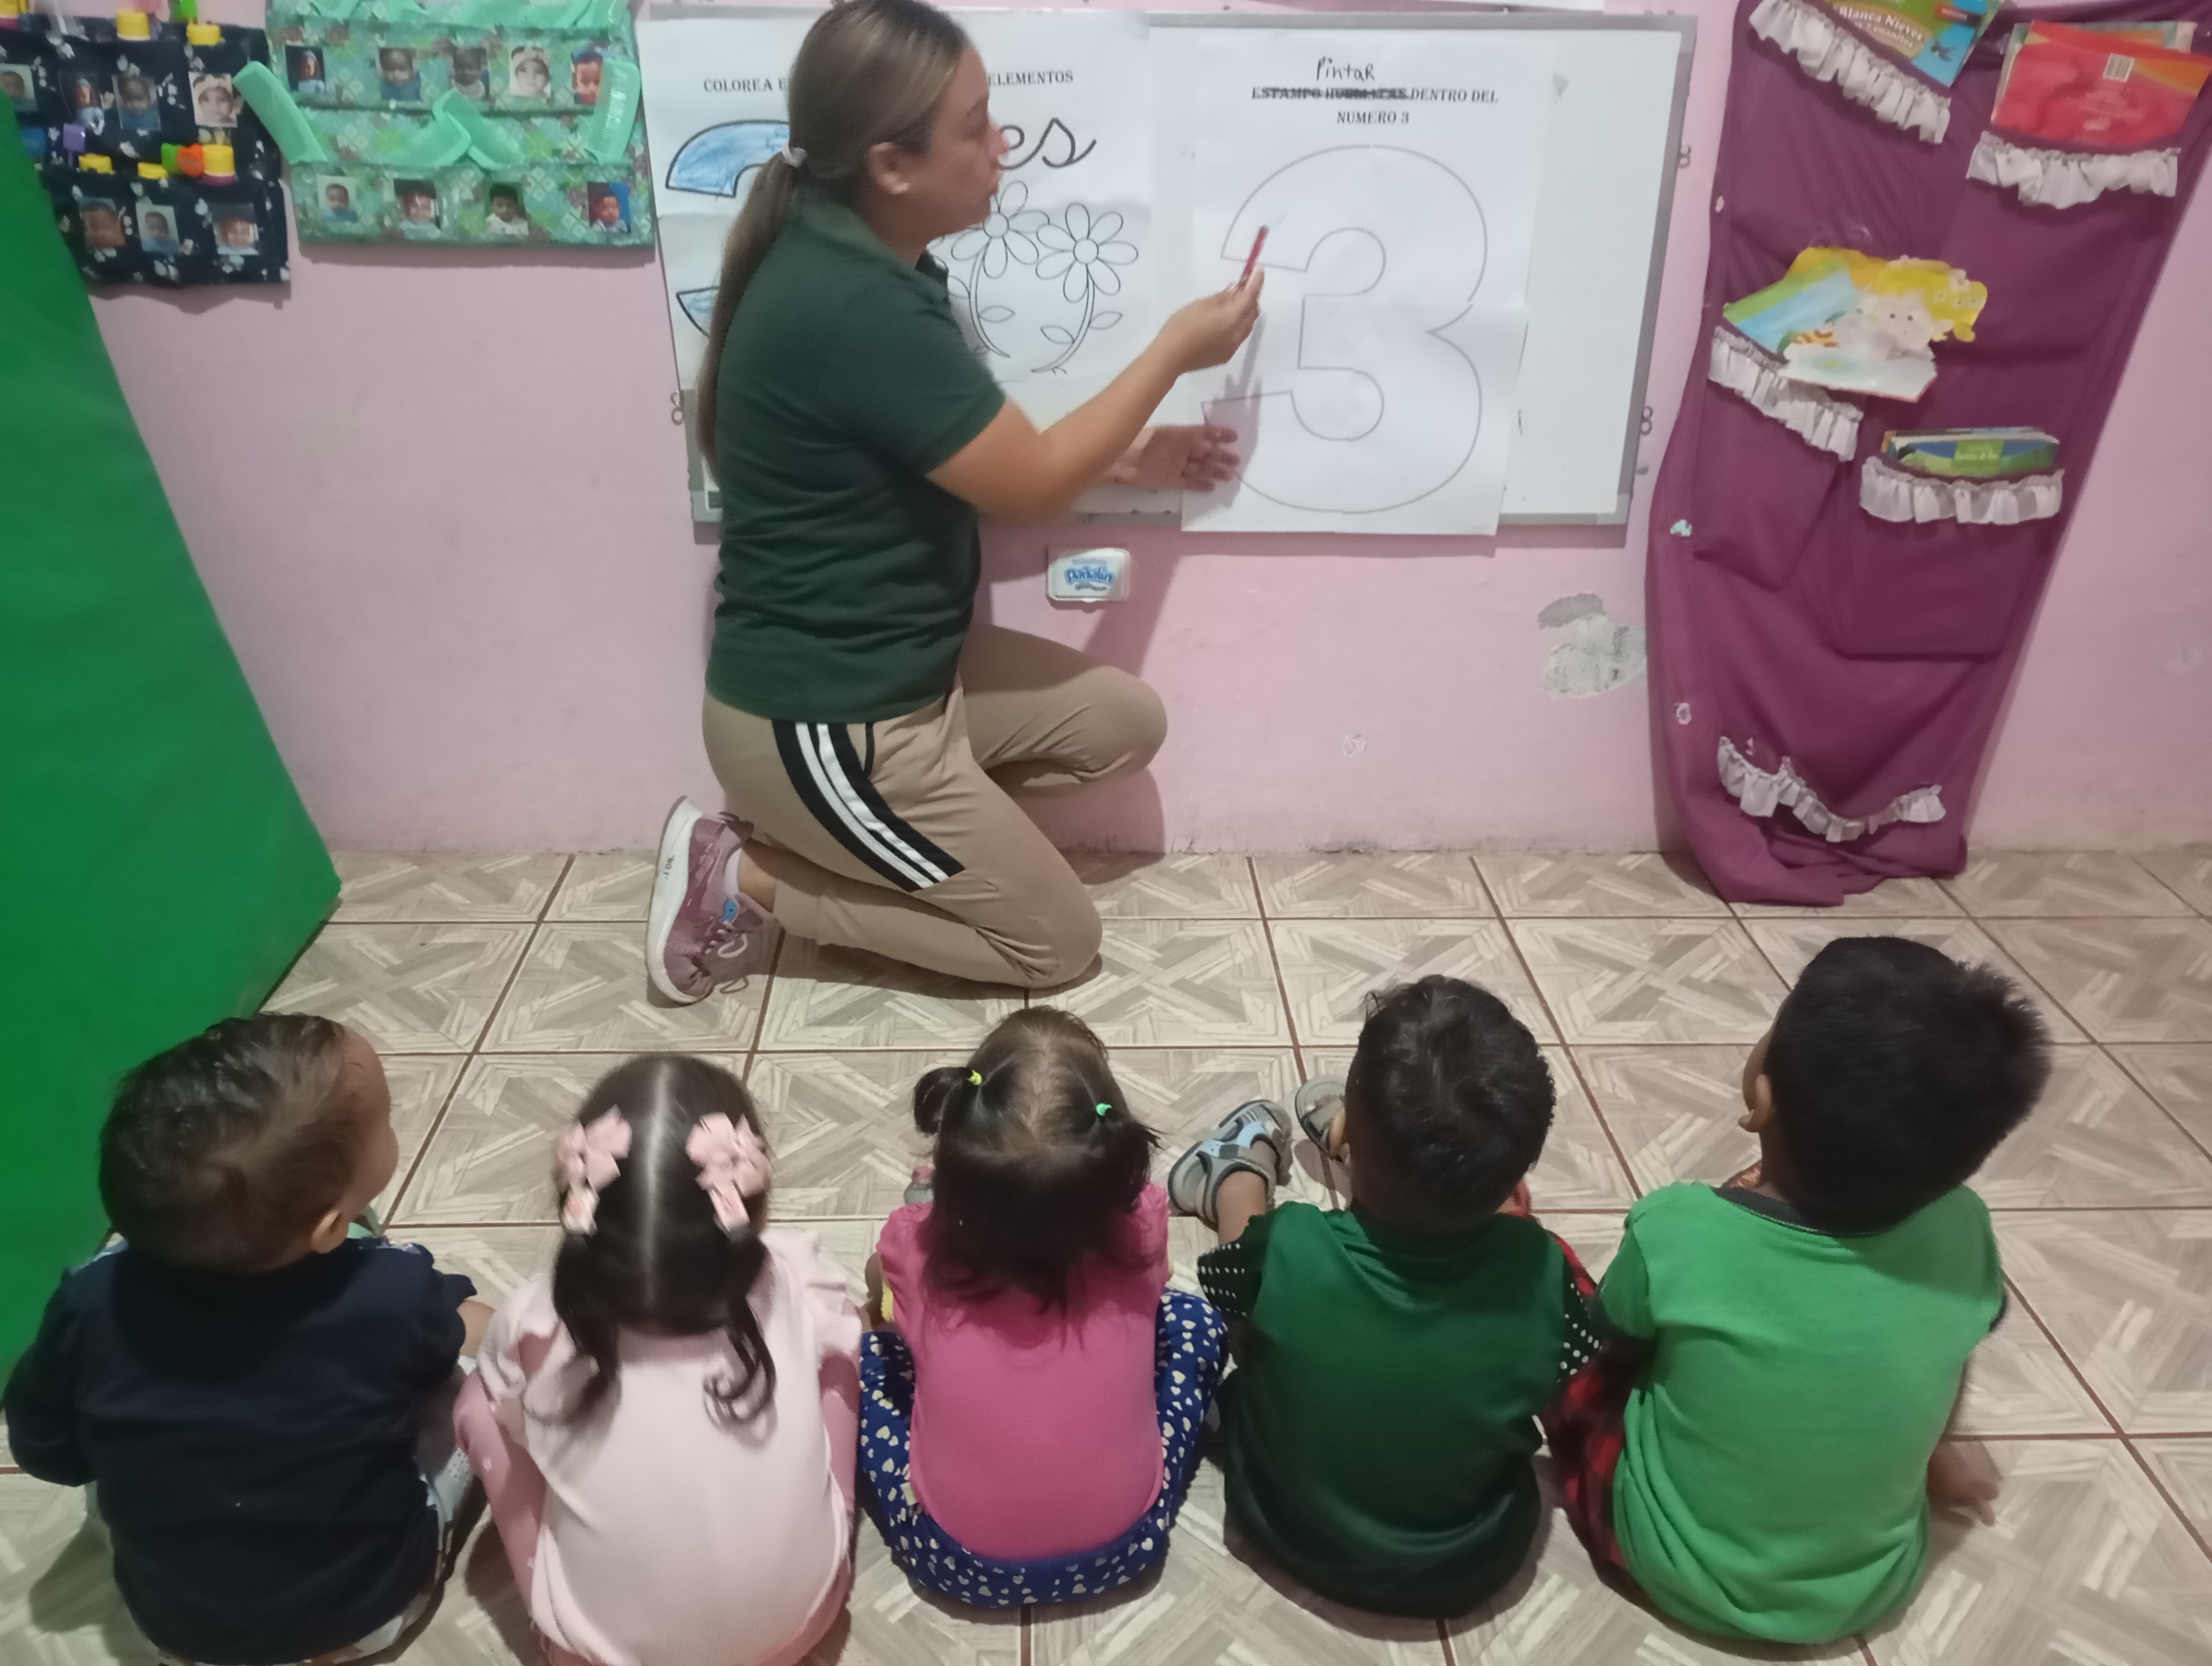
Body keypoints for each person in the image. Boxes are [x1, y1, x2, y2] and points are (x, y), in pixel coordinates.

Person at [645, 0, 1258, 1003]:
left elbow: (960, 454)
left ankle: (883, 836)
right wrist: (1174, 352)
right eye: (975, 127)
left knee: (1121, 721)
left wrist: (1124, 462)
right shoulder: (856, 301)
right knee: (1054, 944)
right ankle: (743, 878)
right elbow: (1033, 478)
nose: (1001, 145)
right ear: (892, 165)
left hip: (909, 675)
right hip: (829, 719)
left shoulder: (870, 262)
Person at [1544, 937, 2049, 1644]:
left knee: (1553, 1291)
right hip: (1872, 1585)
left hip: (1670, 1563)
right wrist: (1937, 1447)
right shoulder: (1964, 1226)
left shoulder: (1680, 1226)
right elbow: (1953, 1348)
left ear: (1761, 1097)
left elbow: (1611, 1335)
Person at [2, 1015, 492, 1665]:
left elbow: (49, 1454)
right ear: (329, 1228)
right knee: (473, 1370)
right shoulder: (391, 1291)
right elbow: (446, 1344)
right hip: (364, 1611)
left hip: (174, 1627)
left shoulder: (90, 1298)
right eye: (387, 1121)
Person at [1172, 976, 1604, 1617]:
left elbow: (1226, 1294)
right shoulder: (1543, 1271)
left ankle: (1234, 1174)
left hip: (1289, 1527)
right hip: (1472, 1559)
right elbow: (1560, 1369)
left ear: (1351, 1130)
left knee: (1257, 1279)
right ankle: (1426, 1177)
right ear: (1516, 1178)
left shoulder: (1293, 1243)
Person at [454, 1055, 862, 1666]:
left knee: (477, 1404)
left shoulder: (536, 1323)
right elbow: (841, 1336)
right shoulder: (795, 1281)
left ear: (576, 1199)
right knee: (842, 1341)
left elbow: (504, 1413)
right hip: (800, 1628)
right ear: (749, 1204)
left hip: (598, 1658)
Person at [861, 1009, 1228, 1604]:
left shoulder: (916, 1246)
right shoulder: (1141, 1229)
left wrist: (913, 1240)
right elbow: (1157, 1286)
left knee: (866, 1358)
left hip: (954, 1561)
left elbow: (879, 1291)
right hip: (1128, 1547)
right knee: (1193, 1320)